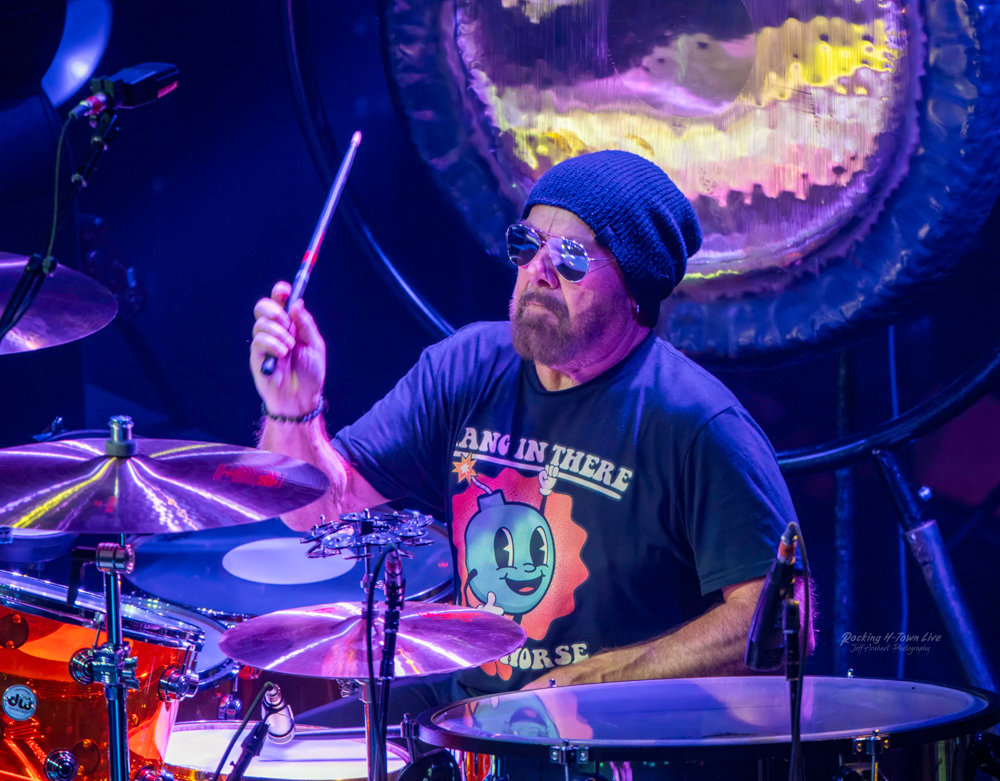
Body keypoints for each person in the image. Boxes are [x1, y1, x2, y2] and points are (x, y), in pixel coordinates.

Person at [249, 151, 801, 721]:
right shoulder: (465, 367)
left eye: (570, 257)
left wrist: (603, 677)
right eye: (526, 244)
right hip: (466, 720)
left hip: (610, 740)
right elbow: (318, 511)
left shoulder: (696, 422)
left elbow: (783, 617)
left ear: (636, 285)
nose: (539, 269)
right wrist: (293, 411)